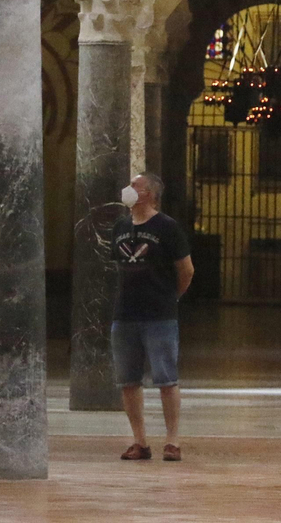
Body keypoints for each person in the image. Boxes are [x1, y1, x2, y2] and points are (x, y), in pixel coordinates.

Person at [111, 171, 194, 461]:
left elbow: (186, 270)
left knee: (166, 378)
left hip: (159, 314)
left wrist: (171, 298)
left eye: (135, 186)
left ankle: (172, 441)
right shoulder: (120, 227)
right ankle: (139, 441)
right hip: (125, 314)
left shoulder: (167, 227)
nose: (129, 189)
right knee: (128, 380)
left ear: (149, 194)